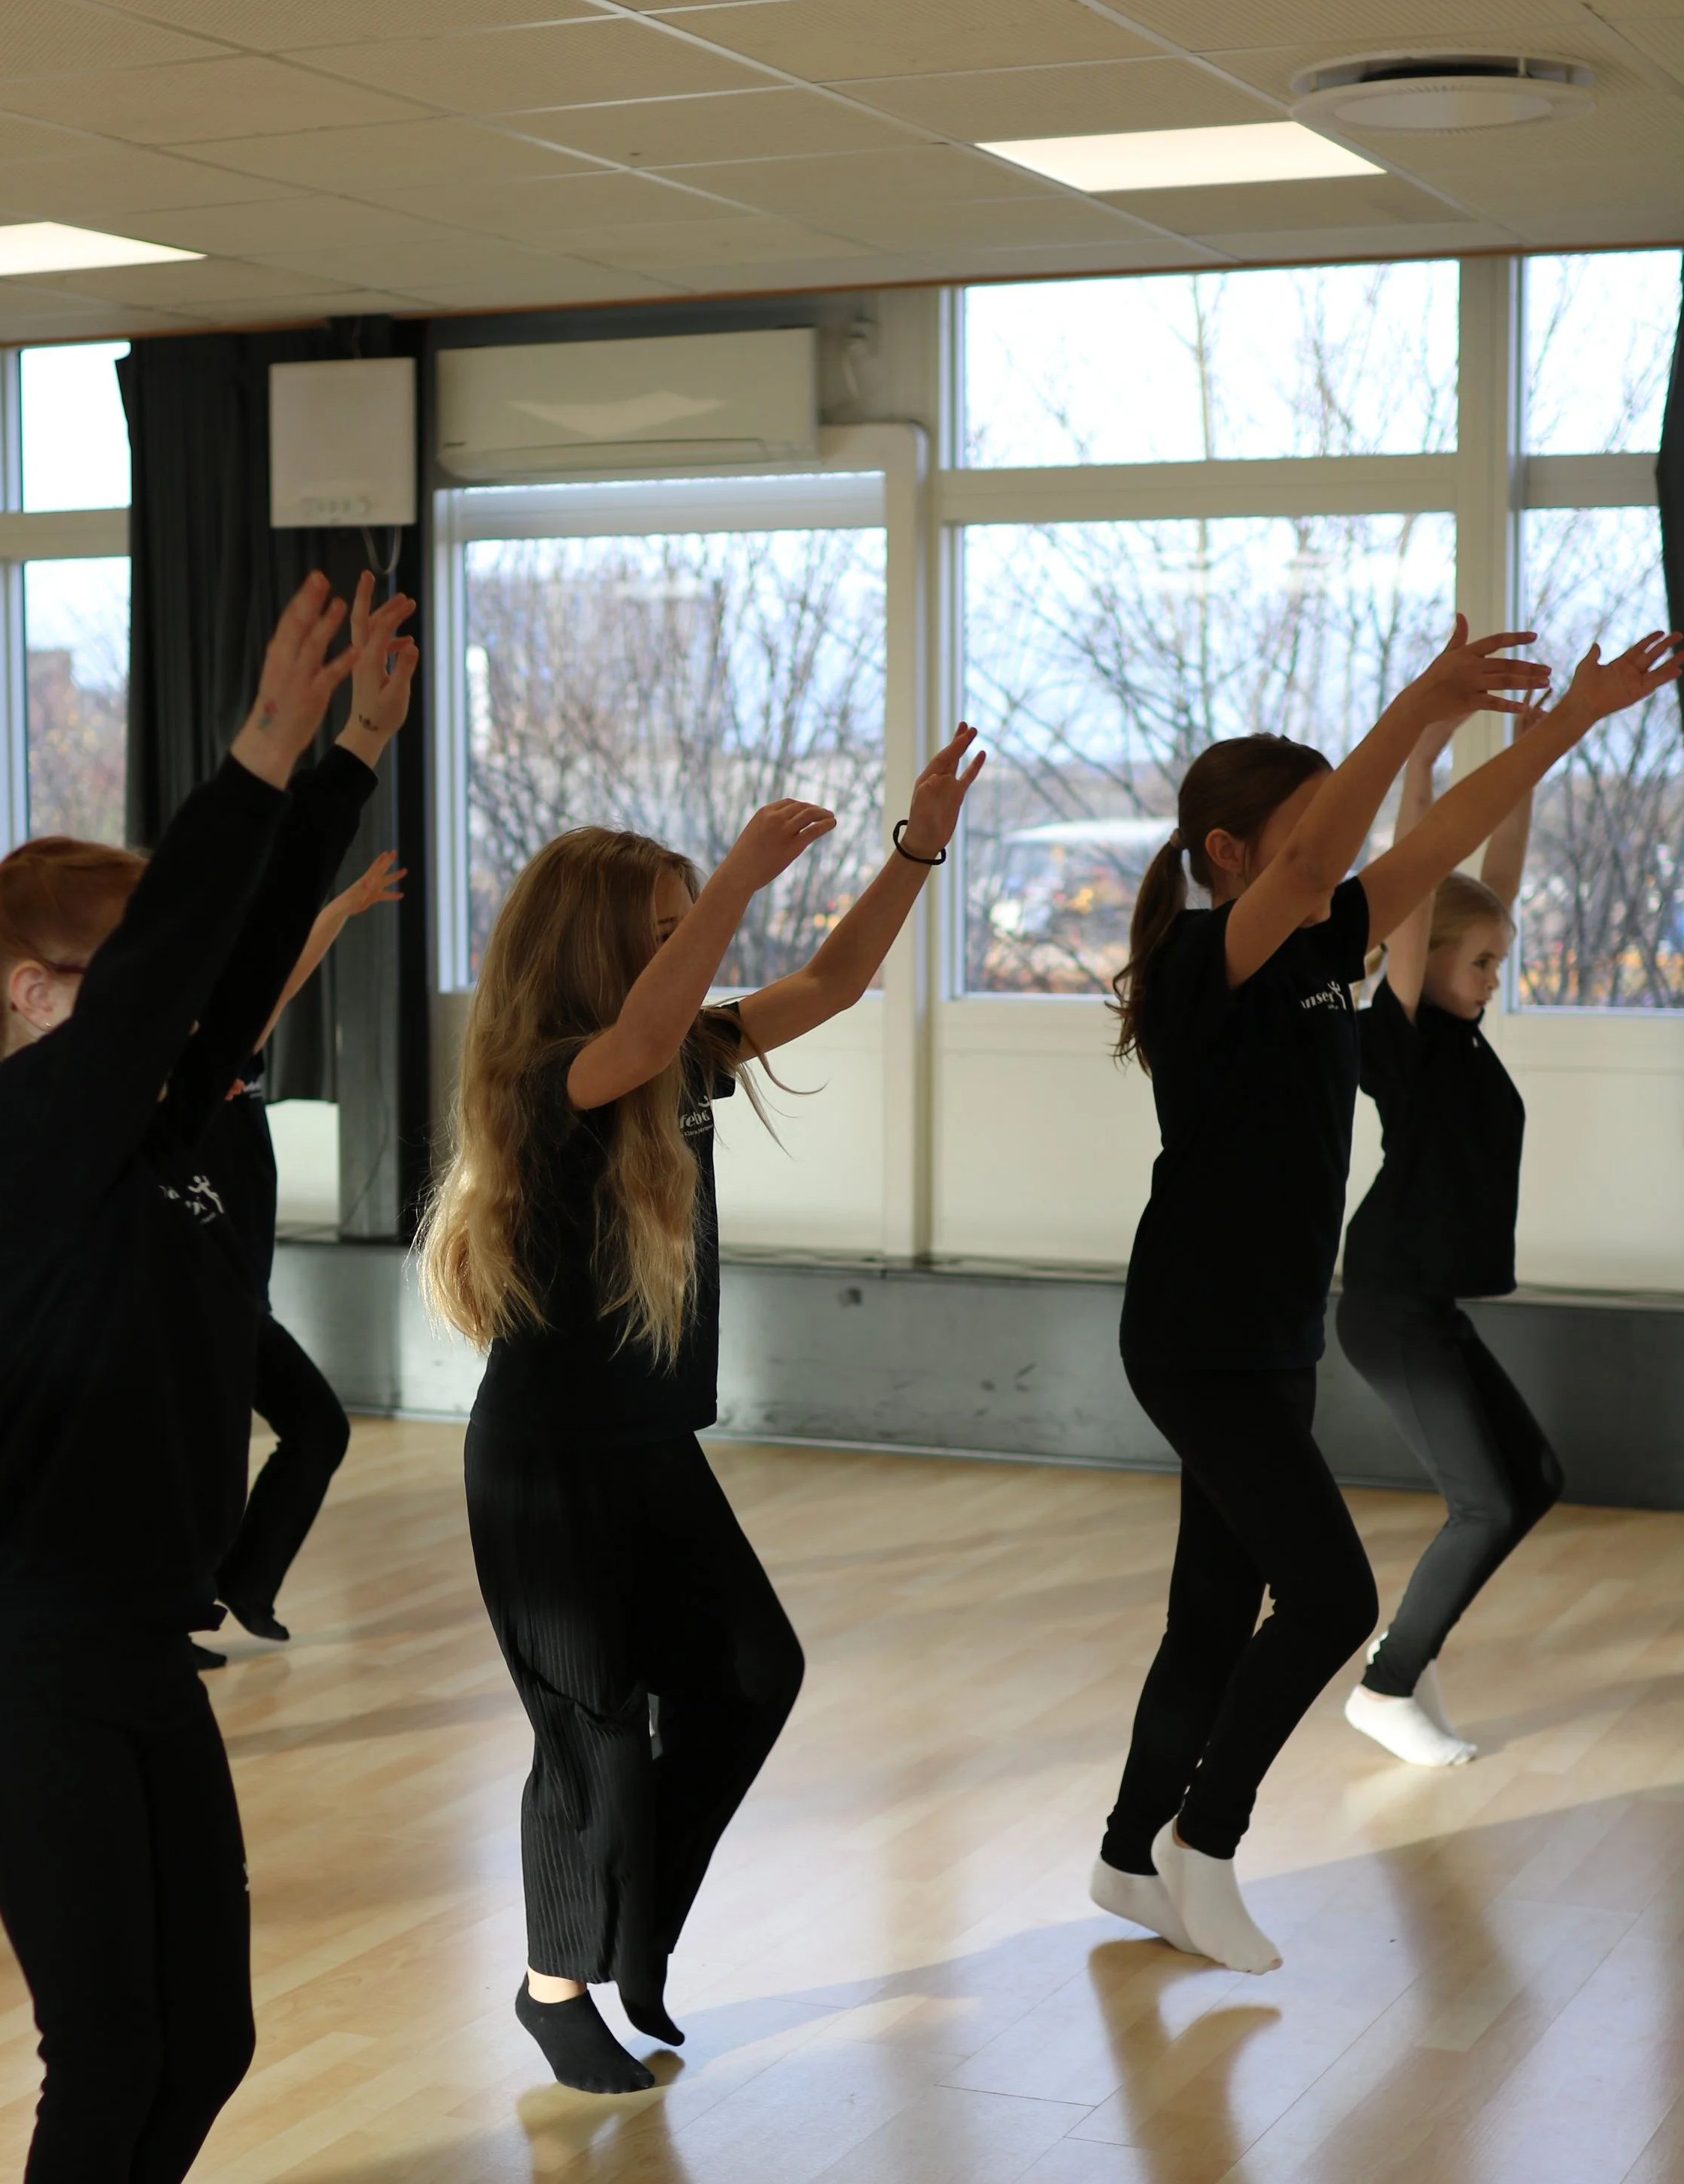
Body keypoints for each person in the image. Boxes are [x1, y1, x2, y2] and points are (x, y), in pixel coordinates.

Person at [0, 572, 418, 2184]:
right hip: (20, 1653)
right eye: (110, 980)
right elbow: (196, 932)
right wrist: (264, 749)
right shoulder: (9, 1146)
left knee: (215, 2029)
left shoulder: (154, 1108)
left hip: (129, 1644)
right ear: (21, 998)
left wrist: (341, 764)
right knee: (107, 2044)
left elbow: (230, 946)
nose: (166, 1013)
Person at [1092, 623, 1681, 1976]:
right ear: (1231, 855)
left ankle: (1127, 1854)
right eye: (1301, 832)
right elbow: (1320, 856)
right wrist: (1417, 706)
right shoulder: (1208, 964)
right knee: (1329, 1596)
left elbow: (1448, 836)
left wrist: (1565, 727)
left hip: (1272, 1331)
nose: (1336, 855)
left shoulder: (1329, 944)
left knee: (1211, 1610)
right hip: (1194, 1332)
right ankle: (1206, 1842)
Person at [424, 728, 986, 2094]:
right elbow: (644, 1029)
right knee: (595, 1729)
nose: (696, 947)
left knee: (752, 1675)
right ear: (592, 948)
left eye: (691, 924)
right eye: (667, 929)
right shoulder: (549, 1076)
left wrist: (918, 847)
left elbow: (837, 981)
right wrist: (737, 869)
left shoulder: (682, 1056)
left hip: (647, 1449)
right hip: (546, 1464)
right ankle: (558, 1984)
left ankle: (638, 1932)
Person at [1337, 712, 1555, 1765]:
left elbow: (1490, 886)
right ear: (1431, 966)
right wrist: (1418, 773)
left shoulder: (1463, 1039)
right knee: (1486, 1500)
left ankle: (1410, 1648)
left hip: (1427, 1302)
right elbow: (1424, 894)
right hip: (1388, 1301)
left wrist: (1533, 754)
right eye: (1481, 964)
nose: (1493, 978)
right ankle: (1384, 1687)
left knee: (1536, 1479)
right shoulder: (1409, 1039)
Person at [200, 847, 405, 1652]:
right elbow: (278, 980)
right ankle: (166, 1615)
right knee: (203, 1471)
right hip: (189, 1316)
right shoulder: (163, 1086)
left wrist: (341, 910)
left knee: (318, 1429)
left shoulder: (237, 1055)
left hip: (243, 1306)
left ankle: (244, 1582)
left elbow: (278, 981)